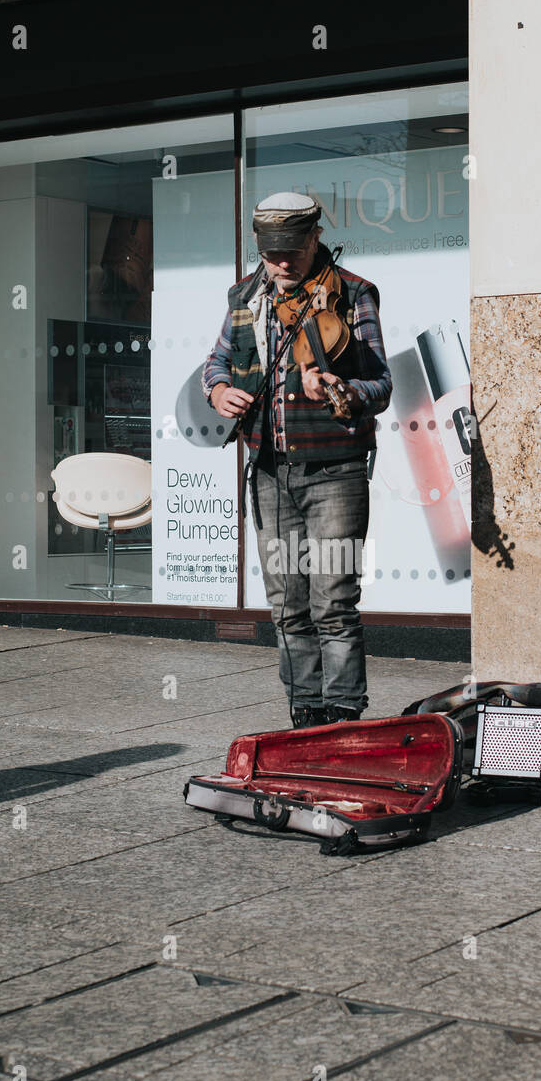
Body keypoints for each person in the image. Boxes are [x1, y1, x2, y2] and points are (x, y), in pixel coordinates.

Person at [203, 192, 391, 727]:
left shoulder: (353, 293)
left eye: (294, 250)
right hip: (268, 470)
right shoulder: (244, 296)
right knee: (287, 604)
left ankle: (344, 716)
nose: (284, 263)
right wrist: (218, 391)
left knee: (333, 600)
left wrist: (343, 390)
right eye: (273, 253)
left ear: (315, 237)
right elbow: (215, 363)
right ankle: (305, 716)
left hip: (336, 472)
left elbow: (381, 384)